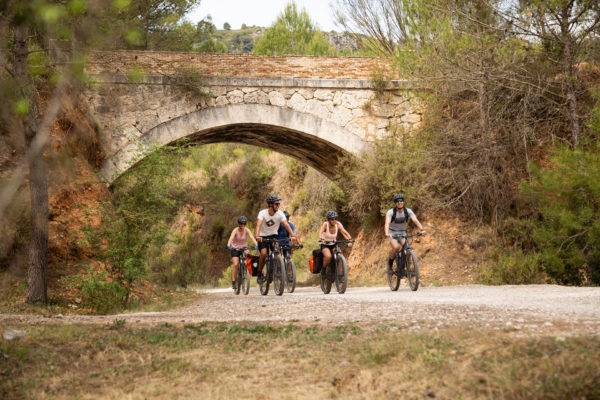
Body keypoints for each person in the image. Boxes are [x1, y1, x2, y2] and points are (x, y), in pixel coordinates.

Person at [255, 195, 300, 284]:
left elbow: (286, 225)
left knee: (277, 251)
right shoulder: (262, 213)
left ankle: (278, 270)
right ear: (270, 205)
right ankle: (259, 273)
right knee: (263, 254)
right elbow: (259, 224)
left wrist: (293, 236)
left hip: (273, 236)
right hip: (262, 236)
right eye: (276, 204)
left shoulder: (280, 213)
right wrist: (257, 235)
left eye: (279, 203)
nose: (278, 205)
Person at [384, 194, 426, 271]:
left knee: (407, 248)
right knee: (396, 247)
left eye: (401, 200)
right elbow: (387, 223)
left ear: (404, 201)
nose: (399, 202)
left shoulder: (408, 211)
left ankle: (404, 266)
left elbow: (415, 220)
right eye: (397, 201)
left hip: (402, 232)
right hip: (392, 233)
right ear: (395, 203)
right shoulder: (391, 212)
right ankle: (390, 264)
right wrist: (387, 233)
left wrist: (422, 229)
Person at [226, 216, 258, 290]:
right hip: (235, 248)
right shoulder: (235, 230)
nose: (243, 225)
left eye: (244, 223)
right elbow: (231, 238)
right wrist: (228, 245)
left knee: (249, 255)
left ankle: (247, 269)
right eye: (241, 223)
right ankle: (234, 281)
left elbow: (252, 237)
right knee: (236, 264)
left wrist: (256, 244)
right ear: (239, 224)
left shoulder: (247, 230)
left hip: (244, 247)